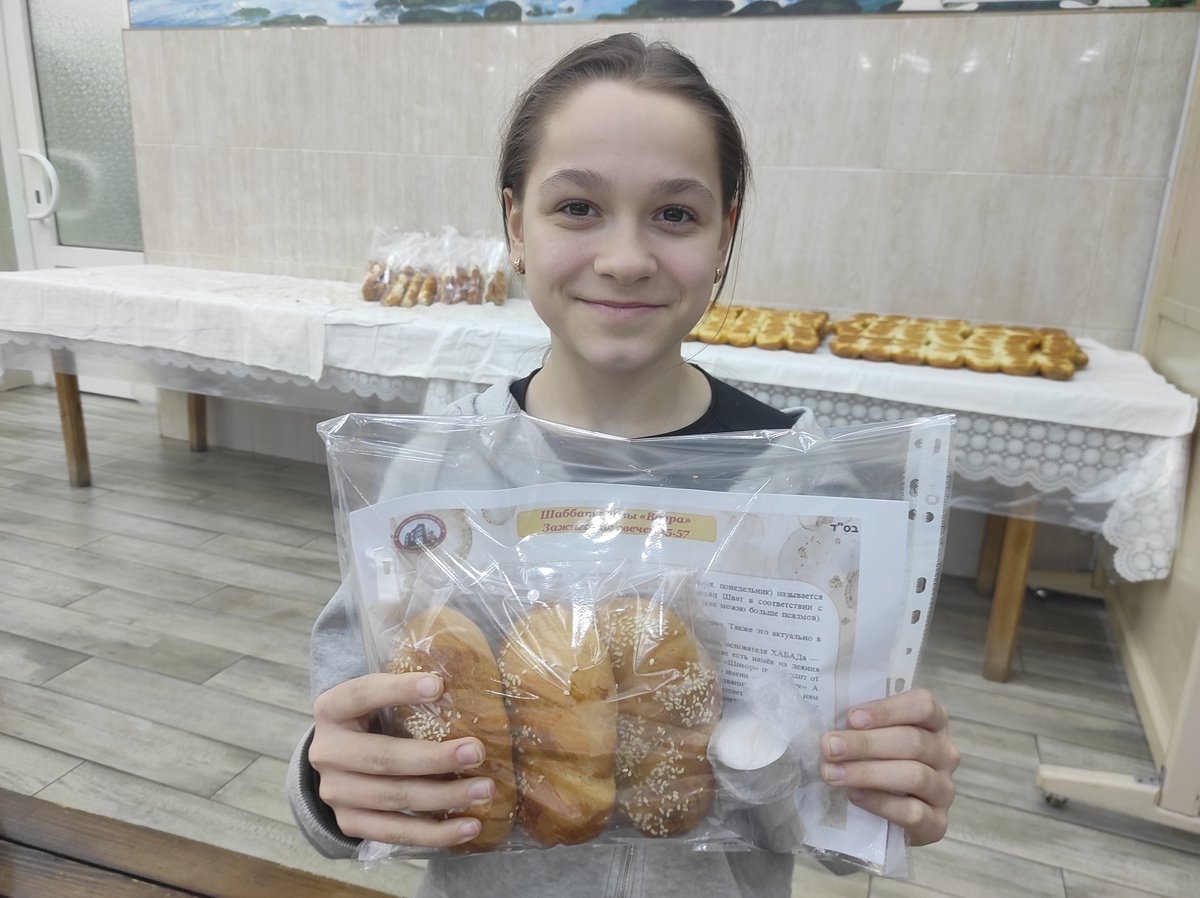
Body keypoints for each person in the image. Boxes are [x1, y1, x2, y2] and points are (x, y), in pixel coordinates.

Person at [288, 31, 959, 898]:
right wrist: (330, 780)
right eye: (577, 207)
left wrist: (887, 785)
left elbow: (829, 819)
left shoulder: (799, 488)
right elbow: (356, 731)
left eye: (675, 215)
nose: (626, 259)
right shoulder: (435, 475)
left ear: (725, 236)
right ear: (515, 227)